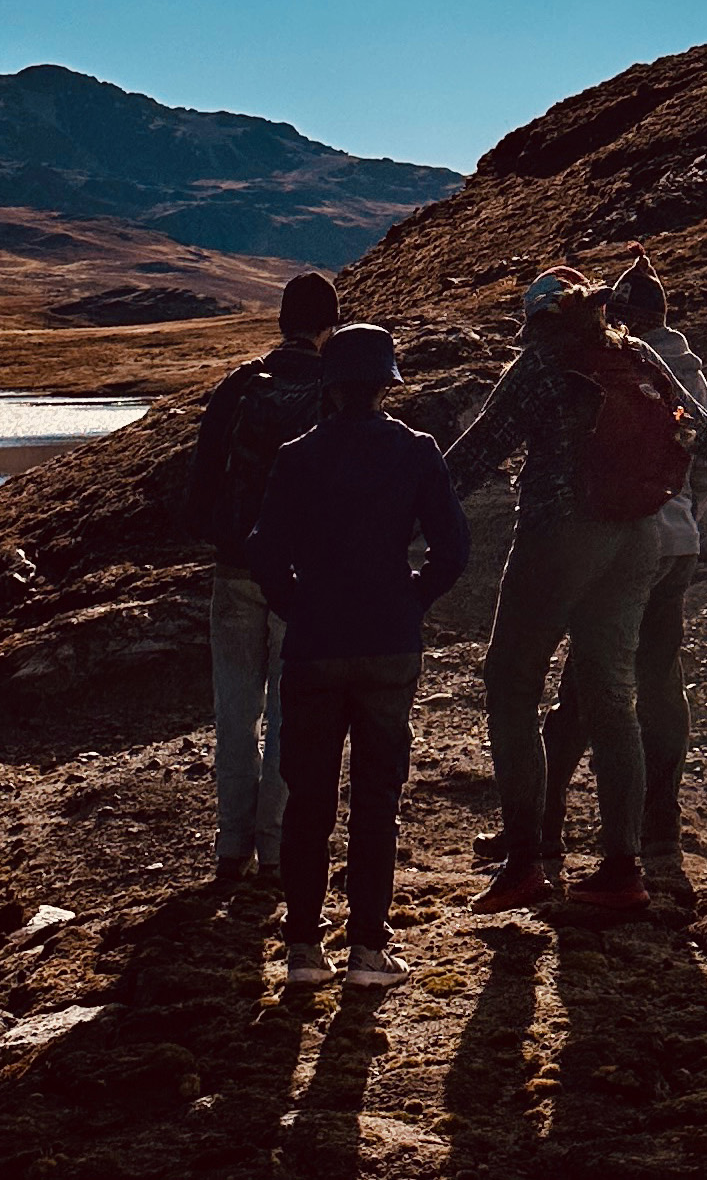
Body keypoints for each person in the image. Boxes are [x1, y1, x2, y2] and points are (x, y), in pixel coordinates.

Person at [445, 265, 707, 914]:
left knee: (512, 682)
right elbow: (701, 433)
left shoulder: (544, 364)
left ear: (541, 320)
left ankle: (526, 861)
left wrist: (394, 515)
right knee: (613, 695)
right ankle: (623, 868)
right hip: (637, 540)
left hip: (562, 537)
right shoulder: (634, 354)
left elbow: (475, 454)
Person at [246, 323, 469, 989]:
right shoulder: (417, 451)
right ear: (385, 385)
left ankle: (302, 948)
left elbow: (262, 550)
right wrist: (410, 598)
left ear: (331, 386)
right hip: (388, 645)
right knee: (378, 798)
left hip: (315, 645)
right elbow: (452, 549)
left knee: (308, 797)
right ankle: (369, 950)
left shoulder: (297, 456)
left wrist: (296, 604)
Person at [534, 247, 707, 867]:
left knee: (588, 683)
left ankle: (543, 827)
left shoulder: (614, 361)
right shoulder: (691, 375)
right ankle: (660, 833)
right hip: (677, 547)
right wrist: (685, 521)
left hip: (615, 542)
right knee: (660, 686)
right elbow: (706, 467)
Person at [185, 271, 342, 882]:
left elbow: (201, 484)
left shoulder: (240, 385)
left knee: (234, 710)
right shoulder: (334, 388)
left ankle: (231, 847)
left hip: (236, 565)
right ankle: (275, 847)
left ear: (281, 320)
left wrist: (223, 535)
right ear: (329, 325)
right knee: (289, 713)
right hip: (304, 577)